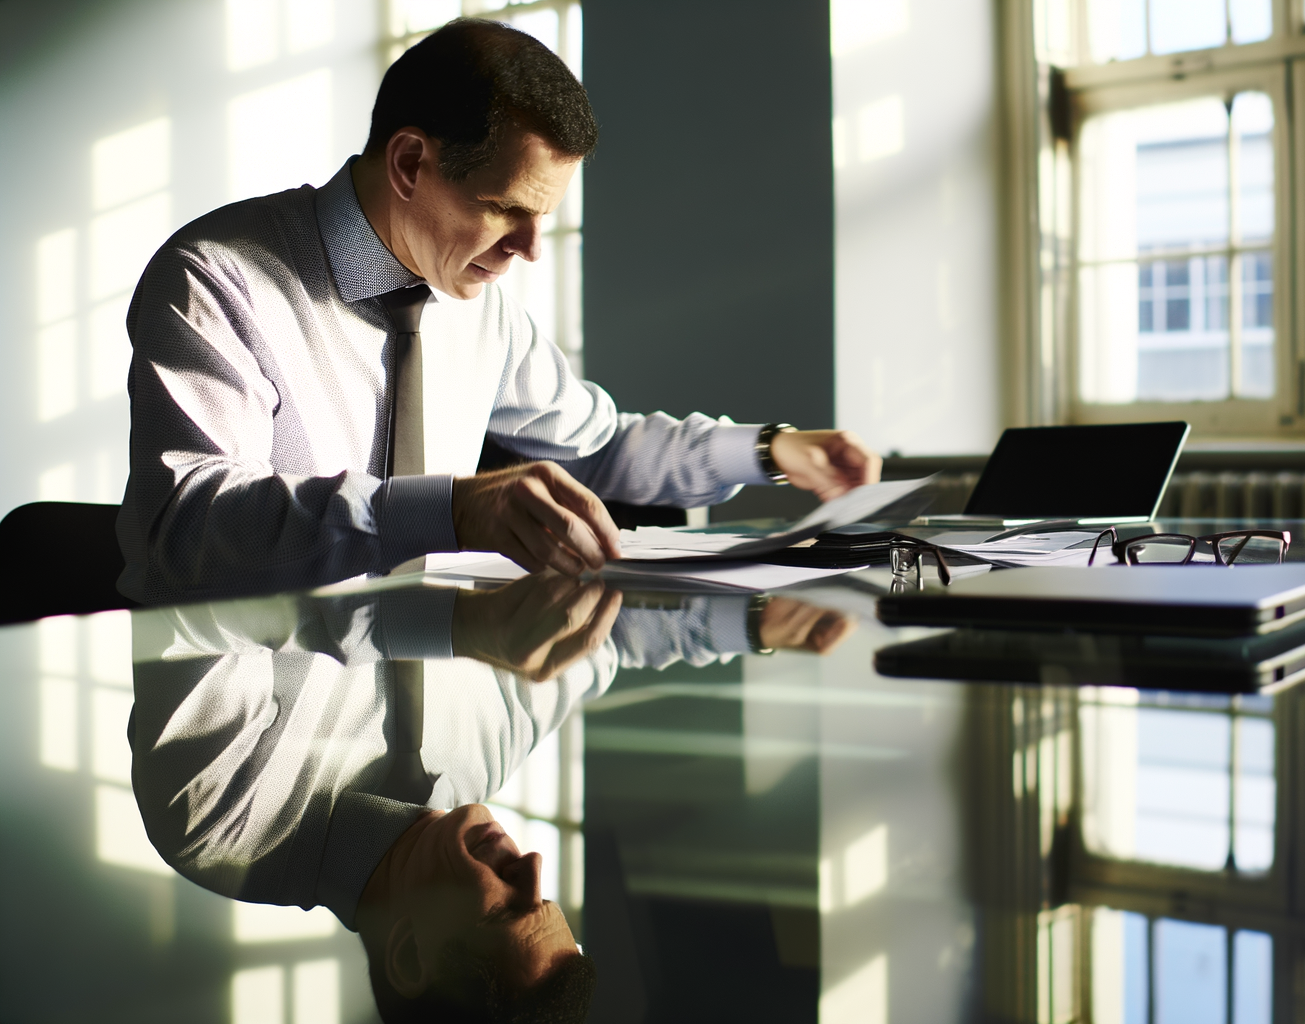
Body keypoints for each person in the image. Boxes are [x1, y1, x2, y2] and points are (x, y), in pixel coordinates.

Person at [117, 17, 878, 605]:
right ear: (410, 163)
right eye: (505, 210)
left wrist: (770, 451)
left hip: (433, 687)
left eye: (543, 217)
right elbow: (183, 528)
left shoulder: (477, 305)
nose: (530, 249)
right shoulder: (216, 281)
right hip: (254, 727)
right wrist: (443, 510)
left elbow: (596, 449)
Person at [130, 572, 857, 1022]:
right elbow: (600, 646)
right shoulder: (477, 768)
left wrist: (451, 614)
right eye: (543, 896)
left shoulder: (220, 812)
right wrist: (753, 625)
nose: (532, 863)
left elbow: (206, 574)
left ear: (411, 956)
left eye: (510, 905)